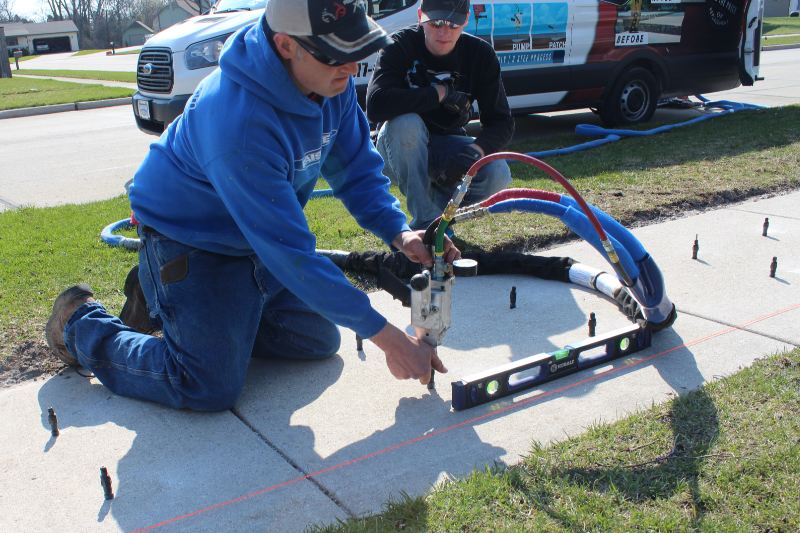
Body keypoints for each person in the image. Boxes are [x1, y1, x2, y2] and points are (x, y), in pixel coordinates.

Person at [44, 0, 458, 412]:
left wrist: (400, 233)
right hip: (190, 238)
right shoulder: (237, 123)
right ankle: (85, 323)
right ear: (284, 45)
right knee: (207, 385)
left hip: (252, 240)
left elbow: (355, 170)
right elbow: (291, 255)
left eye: (357, 50)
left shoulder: (331, 83)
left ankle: (181, 306)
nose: (351, 69)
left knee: (317, 339)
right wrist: (390, 341)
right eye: (337, 56)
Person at [366, 0, 514, 231]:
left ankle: (439, 216)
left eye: (453, 25)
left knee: (498, 172)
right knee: (407, 123)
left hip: (447, 145)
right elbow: (376, 105)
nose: (444, 33)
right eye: (435, 24)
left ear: (466, 20)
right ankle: (425, 223)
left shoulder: (480, 54)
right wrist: (439, 93)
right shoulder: (399, 45)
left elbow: (501, 122)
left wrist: (474, 152)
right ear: (420, 17)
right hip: (394, 148)